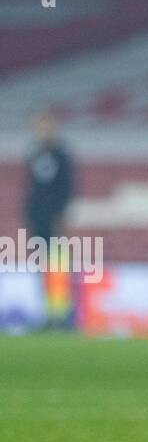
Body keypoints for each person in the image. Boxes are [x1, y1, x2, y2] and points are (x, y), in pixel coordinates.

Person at [25, 112, 76, 329]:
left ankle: (61, 315)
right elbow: (33, 188)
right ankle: (49, 313)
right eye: (39, 127)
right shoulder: (35, 153)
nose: (42, 131)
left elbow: (67, 186)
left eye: (45, 126)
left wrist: (61, 212)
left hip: (54, 217)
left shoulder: (61, 155)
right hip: (38, 218)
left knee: (57, 265)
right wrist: (29, 213)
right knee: (45, 266)